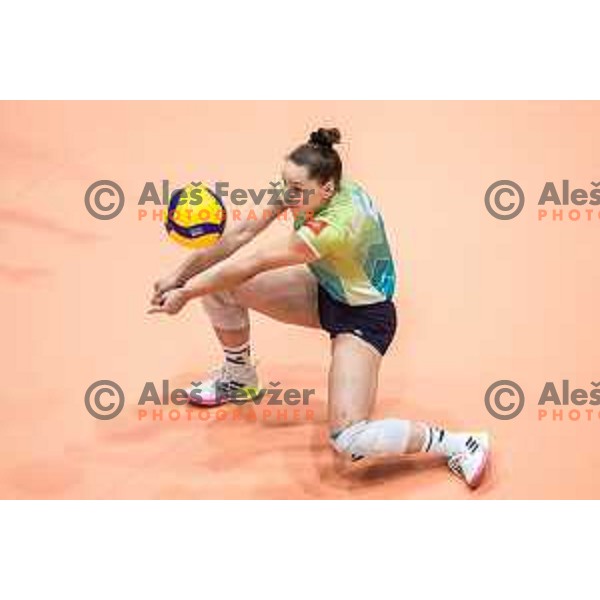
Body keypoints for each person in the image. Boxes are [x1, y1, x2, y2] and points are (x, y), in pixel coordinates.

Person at [149, 128, 490, 488]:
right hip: (324, 289)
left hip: (363, 317)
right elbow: (243, 233)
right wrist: (180, 274)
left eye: (296, 190)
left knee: (349, 439)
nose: (287, 194)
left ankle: (459, 444)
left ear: (327, 190)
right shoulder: (313, 186)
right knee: (219, 286)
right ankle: (238, 379)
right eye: (285, 184)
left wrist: (185, 294)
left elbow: (257, 261)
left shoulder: (335, 226)